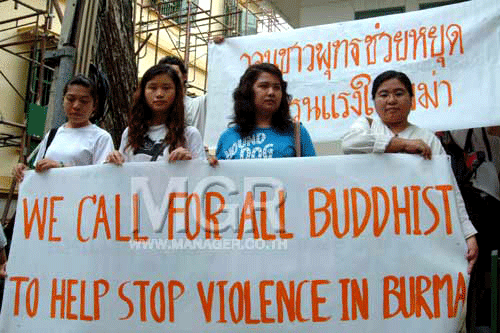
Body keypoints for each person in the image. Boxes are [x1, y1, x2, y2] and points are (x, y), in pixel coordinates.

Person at [341, 70, 478, 274]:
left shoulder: (428, 139)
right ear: (374, 101)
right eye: (384, 94)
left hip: (417, 232)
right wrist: (402, 145)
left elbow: (449, 189)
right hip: (372, 230)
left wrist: (468, 234)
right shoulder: (366, 126)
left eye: (399, 93)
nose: (391, 100)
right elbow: (349, 144)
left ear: (411, 100)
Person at [12, 75, 114, 182]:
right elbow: (38, 172)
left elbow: (103, 178)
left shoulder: (101, 137)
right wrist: (23, 172)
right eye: (70, 99)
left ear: (94, 105)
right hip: (50, 197)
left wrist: (60, 167)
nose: (76, 106)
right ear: (63, 100)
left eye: (84, 101)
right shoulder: (53, 135)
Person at [106, 64, 205, 164]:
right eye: (153, 88)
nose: (159, 94)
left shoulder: (190, 135)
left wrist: (188, 162)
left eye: (166, 88)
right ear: (143, 92)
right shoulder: (130, 133)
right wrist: (114, 160)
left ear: (176, 92)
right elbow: (123, 173)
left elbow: (201, 175)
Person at [216, 63, 316, 160]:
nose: (271, 92)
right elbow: (218, 176)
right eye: (264, 86)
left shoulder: (297, 133)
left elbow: (313, 173)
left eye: (277, 87)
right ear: (247, 91)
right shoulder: (227, 137)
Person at [158, 55, 207, 138]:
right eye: (165, 73)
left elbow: (221, 89)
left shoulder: (197, 105)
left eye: (175, 73)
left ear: (184, 77)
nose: (170, 76)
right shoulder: (154, 106)